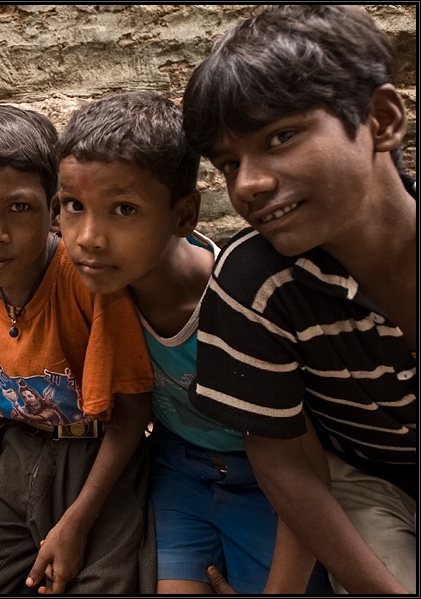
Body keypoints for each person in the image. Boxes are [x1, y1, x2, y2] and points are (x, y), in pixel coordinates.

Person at [55, 90, 332, 594]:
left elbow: (307, 469)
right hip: (180, 471)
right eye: (73, 205)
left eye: (123, 209)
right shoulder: (101, 290)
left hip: (269, 481)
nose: (87, 237)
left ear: (184, 215)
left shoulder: (239, 304)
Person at [182, 5, 417, 594]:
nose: (248, 184)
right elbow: (283, 464)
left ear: (381, 119)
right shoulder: (252, 282)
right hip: (365, 478)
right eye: (229, 163)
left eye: (280, 137)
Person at [0, 104, 156, 595]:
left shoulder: (87, 279)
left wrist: (78, 521)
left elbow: (134, 409)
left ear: (53, 209)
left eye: (19, 207)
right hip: (14, 456)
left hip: (100, 464)